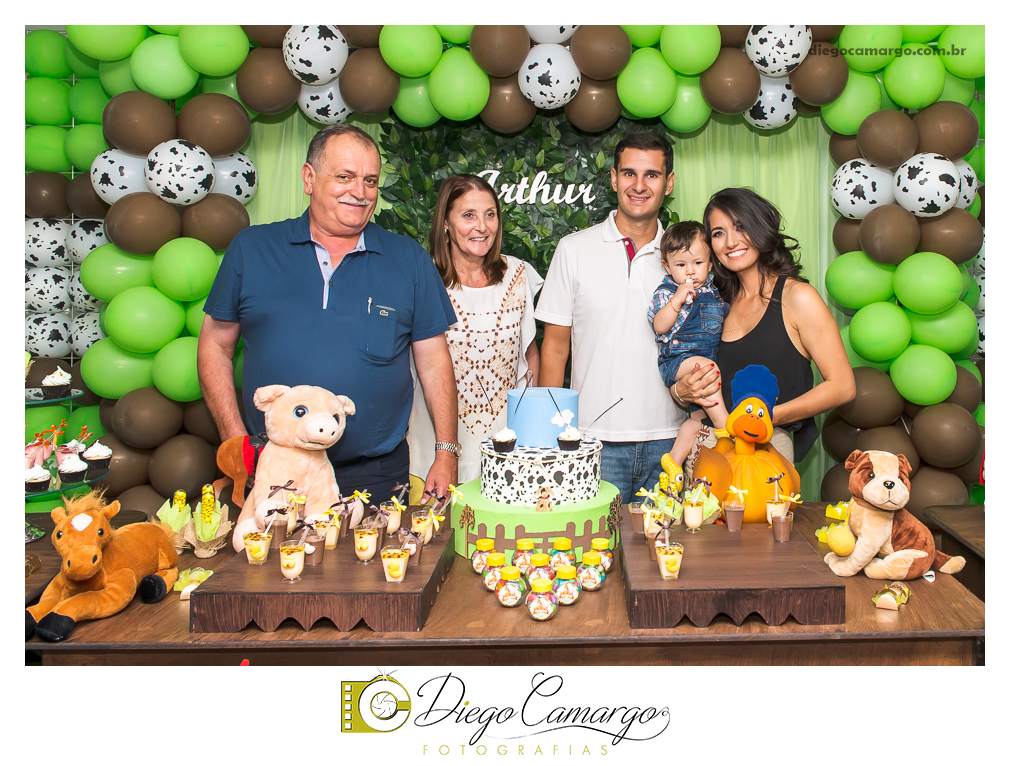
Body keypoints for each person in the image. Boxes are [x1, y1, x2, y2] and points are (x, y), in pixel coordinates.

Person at [198, 124, 461, 535]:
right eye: (344, 176)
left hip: (373, 476)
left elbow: (433, 362)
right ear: (308, 178)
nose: (360, 191)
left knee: (377, 588)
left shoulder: (407, 259)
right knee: (271, 588)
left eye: (370, 180)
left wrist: (446, 452)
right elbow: (215, 346)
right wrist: (236, 441)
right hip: (275, 469)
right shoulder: (251, 249)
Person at [535, 132, 683, 505]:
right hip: (589, 441)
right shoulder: (573, 250)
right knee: (587, 556)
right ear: (614, 178)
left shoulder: (687, 260)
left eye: (651, 175)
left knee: (663, 557)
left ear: (669, 183)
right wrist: (550, 436)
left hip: (671, 441)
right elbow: (554, 349)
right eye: (629, 173)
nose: (639, 185)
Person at [676, 187, 855, 468]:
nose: (731, 242)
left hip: (767, 447)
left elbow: (842, 387)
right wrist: (682, 390)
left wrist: (765, 417)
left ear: (760, 227)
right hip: (705, 447)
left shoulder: (798, 298)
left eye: (741, 227)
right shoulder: (717, 302)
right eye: (718, 233)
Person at [407, 174, 543, 485]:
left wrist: (530, 427)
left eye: (490, 214)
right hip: (433, 454)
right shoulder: (422, 278)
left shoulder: (518, 275)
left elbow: (529, 354)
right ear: (446, 222)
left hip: (509, 452)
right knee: (436, 534)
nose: (482, 226)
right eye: (468, 215)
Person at [647, 221, 730, 479]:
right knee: (708, 370)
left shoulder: (713, 291)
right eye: (681, 265)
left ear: (710, 263)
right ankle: (725, 427)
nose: (690, 272)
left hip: (702, 360)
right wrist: (677, 299)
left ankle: (673, 462)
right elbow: (660, 327)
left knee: (695, 422)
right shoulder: (667, 293)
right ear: (667, 266)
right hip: (676, 359)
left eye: (697, 263)